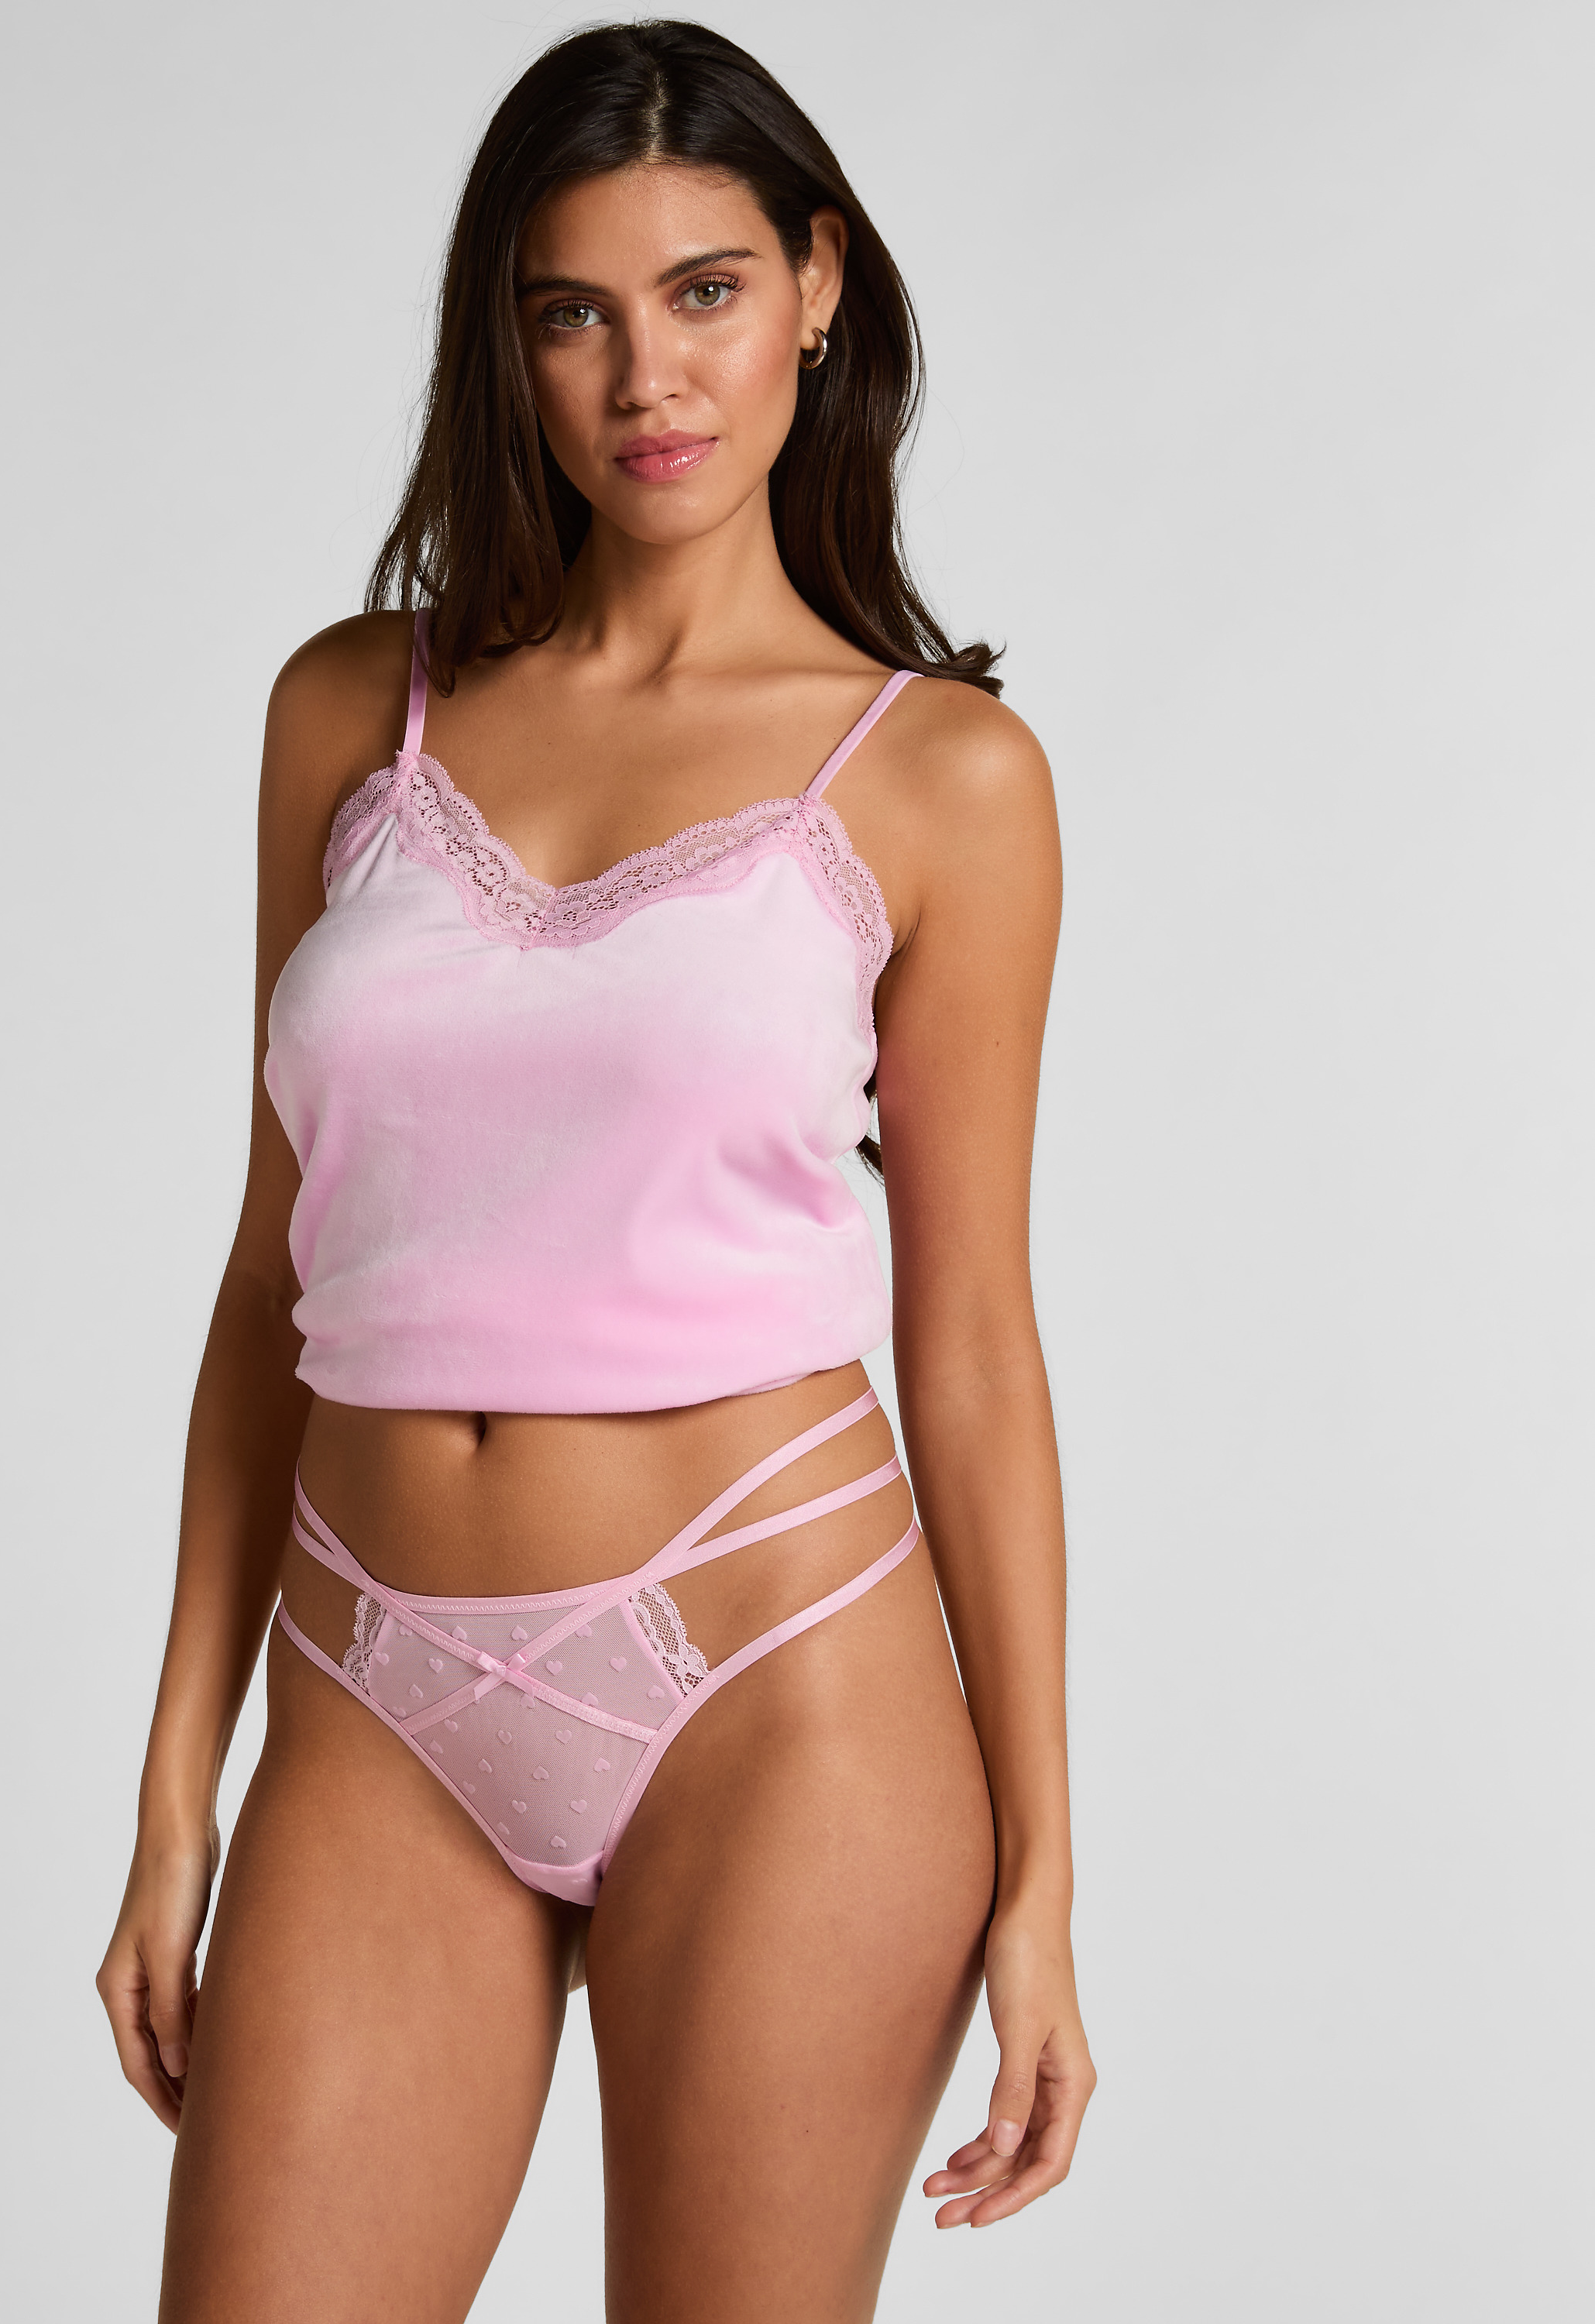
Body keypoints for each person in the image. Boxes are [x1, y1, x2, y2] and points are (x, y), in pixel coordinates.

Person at [97, 19, 1094, 2319]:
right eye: (576, 312)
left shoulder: (941, 780)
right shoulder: (353, 710)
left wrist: (1045, 1877)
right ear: (509, 342)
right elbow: (271, 1276)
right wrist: (176, 1785)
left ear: (816, 287)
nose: (649, 377)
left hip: (780, 1681)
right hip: (372, 1678)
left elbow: (969, 1347)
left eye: (705, 291)